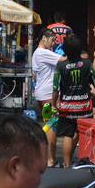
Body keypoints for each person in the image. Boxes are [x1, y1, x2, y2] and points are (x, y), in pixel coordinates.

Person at [52, 35, 95, 167]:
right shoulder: (87, 63)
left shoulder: (60, 66)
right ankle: (74, 160)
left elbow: (55, 87)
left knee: (67, 134)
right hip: (84, 106)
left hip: (66, 106)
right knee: (78, 132)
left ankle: (66, 164)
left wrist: (54, 104)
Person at [30, 30, 63, 166]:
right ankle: (50, 159)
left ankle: (46, 157)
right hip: (48, 96)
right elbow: (63, 60)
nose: (54, 43)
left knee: (48, 124)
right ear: (44, 38)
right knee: (51, 125)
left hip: (42, 94)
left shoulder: (37, 53)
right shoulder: (43, 53)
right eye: (53, 40)